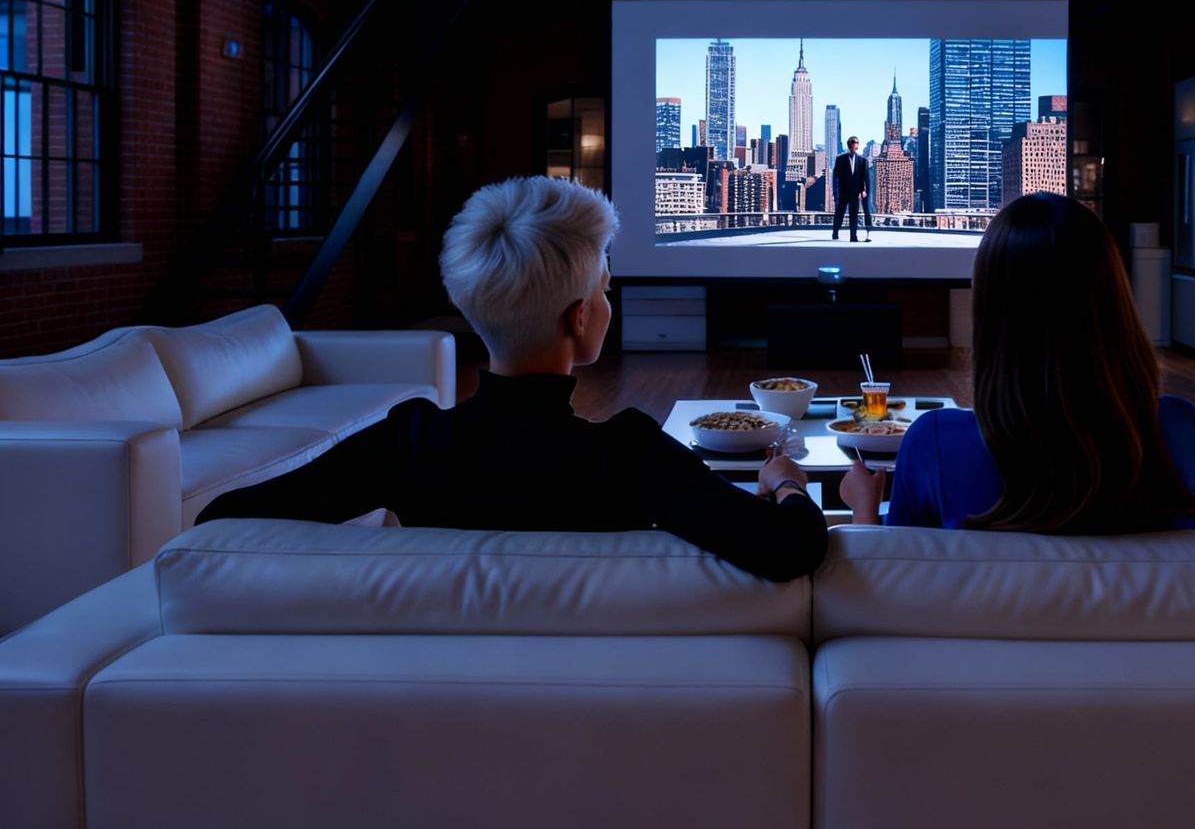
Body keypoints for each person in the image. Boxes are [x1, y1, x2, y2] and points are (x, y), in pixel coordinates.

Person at [198, 177, 828, 583]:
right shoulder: (629, 456)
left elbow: (220, 522)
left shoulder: (409, 443)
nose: (609, 304)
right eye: (605, 292)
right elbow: (790, 551)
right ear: (579, 319)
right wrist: (787, 485)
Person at [841, 192, 1195, 533]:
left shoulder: (934, 441)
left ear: (991, 315)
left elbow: (894, 582)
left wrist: (864, 510)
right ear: (1115, 302)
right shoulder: (1182, 431)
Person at [831, 136, 872, 242]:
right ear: (849, 145)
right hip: (843, 192)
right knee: (839, 213)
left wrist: (864, 190)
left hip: (855, 193)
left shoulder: (863, 161)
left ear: (857, 146)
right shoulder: (840, 159)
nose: (854, 145)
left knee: (854, 215)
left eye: (856, 143)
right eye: (853, 143)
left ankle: (853, 236)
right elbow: (835, 178)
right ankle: (835, 232)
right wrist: (836, 194)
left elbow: (865, 178)